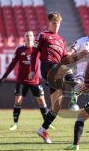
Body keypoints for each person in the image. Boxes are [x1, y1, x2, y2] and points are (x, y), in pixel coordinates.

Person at [0, 31, 53, 131]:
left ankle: (47, 123)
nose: (29, 37)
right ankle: (15, 123)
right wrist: (4, 76)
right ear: (24, 37)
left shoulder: (37, 50)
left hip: (35, 81)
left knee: (42, 101)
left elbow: (46, 62)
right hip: (22, 81)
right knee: (18, 100)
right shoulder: (20, 49)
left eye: (31, 35)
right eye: (27, 35)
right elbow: (12, 64)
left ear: (33, 38)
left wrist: (48, 77)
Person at [29, 12, 69, 143]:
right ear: (49, 23)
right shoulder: (43, 35)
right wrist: (32, 71)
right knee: (69, 74)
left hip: (57, 69)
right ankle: (75, 94)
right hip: (48, 66)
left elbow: (64, 59)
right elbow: (34, 53)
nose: (56, 26)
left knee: (56, 106)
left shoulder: (62, 40)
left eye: (58, 24)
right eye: (54, 23)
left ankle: (42, 129)